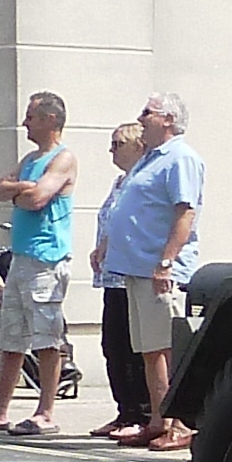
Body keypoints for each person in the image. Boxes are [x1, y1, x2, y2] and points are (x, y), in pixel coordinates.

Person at [0, 91, 79, 436]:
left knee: (46, 337)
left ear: (50, 120)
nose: (25, 122)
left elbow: (39, 199)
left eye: (31, 116)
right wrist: (22, 186)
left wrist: (25, 191)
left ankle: (46, 411)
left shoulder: (63, 158)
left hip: (46, 258)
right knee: (10, 338)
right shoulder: (30, 159)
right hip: (22, 258)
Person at [99, 91, 203, 451]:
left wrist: (167, 261)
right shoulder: (150, 158)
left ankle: (180, 422)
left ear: (169, 120)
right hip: (135, 269)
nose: (140, 118)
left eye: (148, 112)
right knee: (148, 349)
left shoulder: (181, 157)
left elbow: (185, 211)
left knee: (168, 348)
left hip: (158, 269)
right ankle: (158, 419)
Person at [89, 120, 153, 440]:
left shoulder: (143, 180)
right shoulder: (119, 182)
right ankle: (123, 410)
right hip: (110, 276)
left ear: (137, 146)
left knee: (133, 347)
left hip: (130, 273)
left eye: (118, 144)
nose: (112, 151)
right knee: (112, 345)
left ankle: (141, 412)